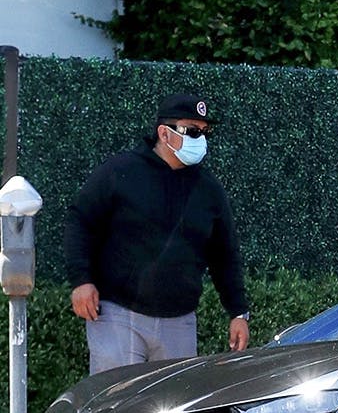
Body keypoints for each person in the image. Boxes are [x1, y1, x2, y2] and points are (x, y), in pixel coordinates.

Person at [65, 93, 250, 375]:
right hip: (118, 313)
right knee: (118, 404)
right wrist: (81, 280)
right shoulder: (120, 172)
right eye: (191, 131)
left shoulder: (209, 189)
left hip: (179, 321)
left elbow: (225, 254)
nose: (199, 139)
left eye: (204, 132)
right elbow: (81, 220)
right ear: (164, 133)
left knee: (171, 412)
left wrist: (238, 312)